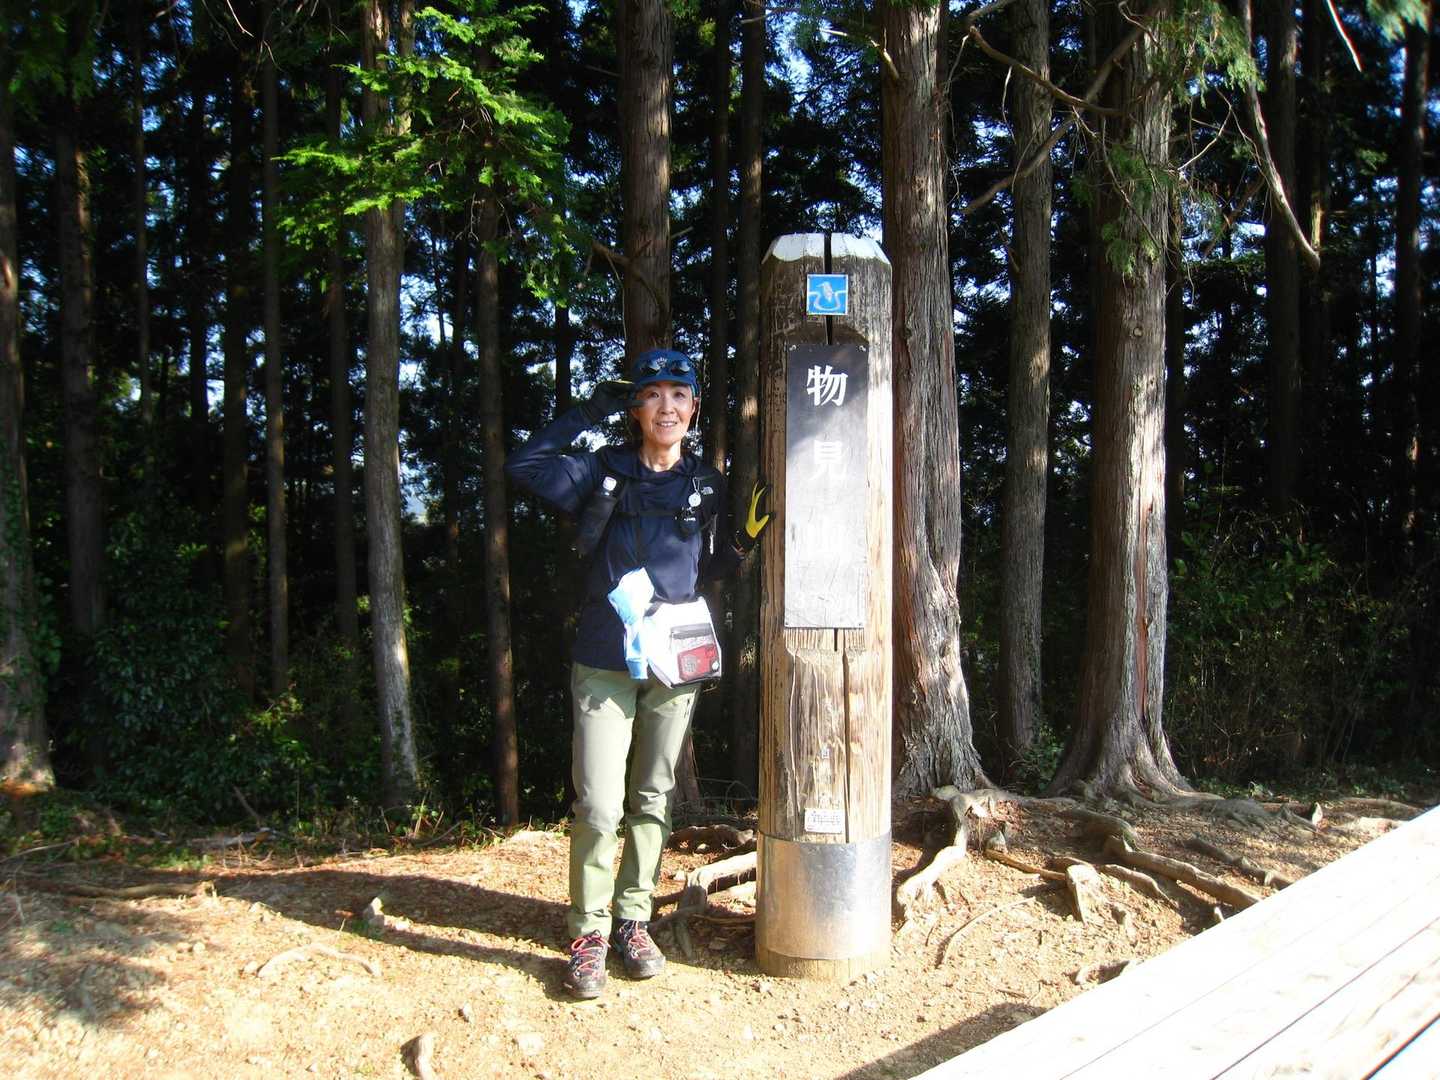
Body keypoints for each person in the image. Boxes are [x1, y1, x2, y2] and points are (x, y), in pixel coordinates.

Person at [505, 347, 771, 1000]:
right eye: (652, 394)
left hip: (674, 657)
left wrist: (742, 544)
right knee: (599, 803)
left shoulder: (707, 485)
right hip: (604, 657)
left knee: (654, 795)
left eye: (679, 394)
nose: (666, 407)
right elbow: (524, 465)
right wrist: (590, 409)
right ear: (636, 408)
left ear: (694, 408)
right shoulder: (604, 471)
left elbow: (707, 569)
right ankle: (589, 932)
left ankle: (633, 918)